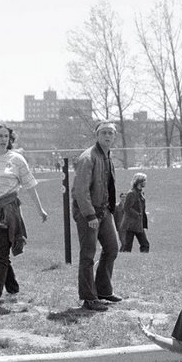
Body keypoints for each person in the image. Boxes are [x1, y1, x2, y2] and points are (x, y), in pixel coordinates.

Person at [0, 124, 48, 308]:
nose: (3, 139)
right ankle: (13, 288)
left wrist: (41, 210)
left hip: (8, 213)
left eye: (6, 136)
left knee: (0, 256)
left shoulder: (17, 159)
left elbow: (30, 186)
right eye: (0, 136)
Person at [71, 121, 122, 311]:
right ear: (97, 135)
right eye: (104, 133)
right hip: (88, 213)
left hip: (104, 210)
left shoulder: (107, 156)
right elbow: (80, 190)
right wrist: (90, 215)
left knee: (112, 248)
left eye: (111, 133)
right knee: (88, 255)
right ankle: (88, 298)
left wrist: (110, 208)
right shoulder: (88, 158)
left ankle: (103, 290)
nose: (107, 136)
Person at [120, 173, 150, 252]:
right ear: (139, 182)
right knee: (127, 246)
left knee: (145, 244)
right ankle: (124, 260)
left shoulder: (140, 193)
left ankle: (143, 260)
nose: (145, 182)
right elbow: (127, 208)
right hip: (131, 224)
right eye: (144, 180)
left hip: (138, 224)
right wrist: (138, 214)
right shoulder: (132, 193)